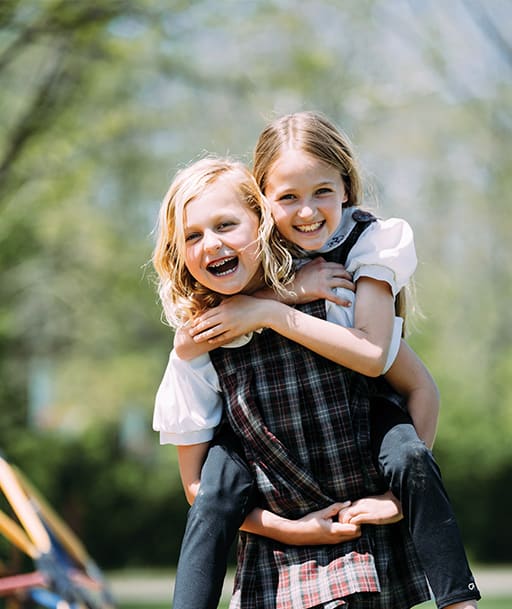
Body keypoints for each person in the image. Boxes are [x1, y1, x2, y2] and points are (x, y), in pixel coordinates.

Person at [156, 113, 480, 609]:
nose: (213, 243)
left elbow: (403, 376)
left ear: (256, 221)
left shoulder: (335, 287)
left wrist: (399, 500)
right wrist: (291, 530)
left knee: (408, 453)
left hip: (354, 496)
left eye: (225, 225)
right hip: (279, 530)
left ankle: (459, 600)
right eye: (194, 236)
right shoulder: (201, 342)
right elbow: (198, 489)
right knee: (219, 482)